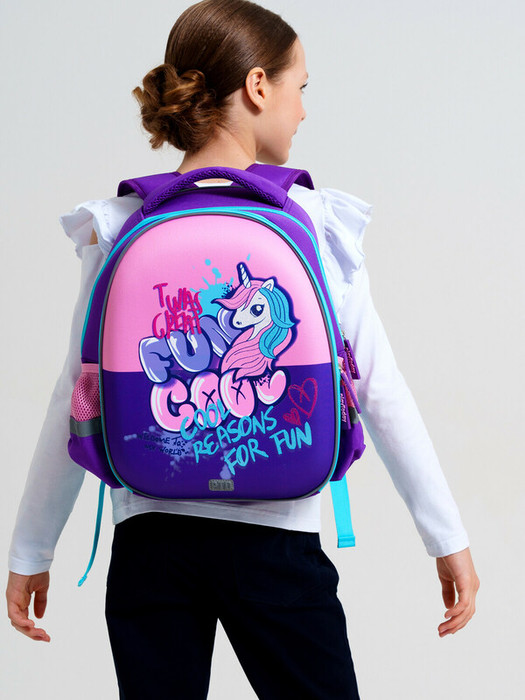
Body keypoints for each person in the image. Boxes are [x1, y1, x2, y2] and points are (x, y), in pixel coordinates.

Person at [6, 1, 479, 698]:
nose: (303, 110)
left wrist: (31, 548)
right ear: (258, 86)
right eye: (300, 88)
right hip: (277, 540)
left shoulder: (121, 222)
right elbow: (376, 384)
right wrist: (445, 536)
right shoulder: (312, 219)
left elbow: (76, 395)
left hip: (150, 546)